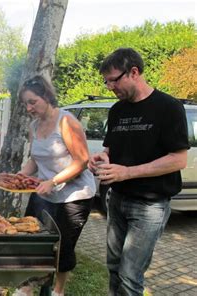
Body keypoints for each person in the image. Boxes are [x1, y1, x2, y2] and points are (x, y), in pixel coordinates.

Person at [88, 48, 189, 296]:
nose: (110, 86)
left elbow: (178, 160)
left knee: (130, 275)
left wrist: (127, 172)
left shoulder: (169, 107)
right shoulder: (117, 110)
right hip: (117, 199)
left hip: (149, 206)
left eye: (114, 79)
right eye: (106, 81)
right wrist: (103, 158)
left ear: (134, 72)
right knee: (113, 268)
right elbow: (111, 148)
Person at [13, 76, 96, 296]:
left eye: (33, 102)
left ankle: (57, 292)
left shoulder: (67, 122)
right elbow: (35, 159)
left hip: (74, 196)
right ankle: (27, 287)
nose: (29, 108)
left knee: (62, 248)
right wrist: (22, 174)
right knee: (31, 241)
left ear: (47, 97)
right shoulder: (33, 126)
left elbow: (82, 161)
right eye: (25, 104)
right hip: (44, 193)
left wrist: (54, 181)